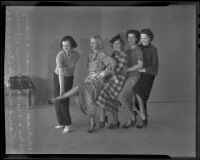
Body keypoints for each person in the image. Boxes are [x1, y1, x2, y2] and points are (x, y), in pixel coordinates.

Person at [50, 35, 116, 133]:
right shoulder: (89, 55)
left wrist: (103, 73)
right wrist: (92, 74)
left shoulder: (102, 55)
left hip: (97, 81)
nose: (92, 45)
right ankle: (90, 123)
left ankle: (60, 101)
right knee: (86, 97)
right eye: (91, 43)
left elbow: (113, 64)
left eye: (94, 43)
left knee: (79, 89)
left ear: (99, 43)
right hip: (81, 79)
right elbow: (88, 69)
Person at [96, 34, 127, 129]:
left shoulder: (123, 54)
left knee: (108, 98)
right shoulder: (113, 54)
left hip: (118, 79)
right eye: (114, 44)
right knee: (104, 97)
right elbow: (108, 66)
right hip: (110, 78)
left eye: (118, 43)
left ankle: (107, 120)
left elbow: (117, 69)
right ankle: (111, 121)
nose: (116, 45)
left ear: (122, 44)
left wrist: (106, 72)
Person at [116, 29, 144, 129]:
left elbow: (140, 65)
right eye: (128, 37)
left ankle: (132, 117)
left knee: (121, 96)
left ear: (136, 38)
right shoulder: (127, 51)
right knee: (127, 98)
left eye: (132, 37)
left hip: (134, 77)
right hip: (126, 77)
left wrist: (127, 69)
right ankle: (131, 118)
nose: (130, 39)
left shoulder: (138, 50)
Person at [53, 35, 80, 134]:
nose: (65, 48)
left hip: (68, 78)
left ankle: (67, 124)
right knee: (57, 98)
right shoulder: (60, 55)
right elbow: (61, 72)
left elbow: (70, 68)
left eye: (67, 46)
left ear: (72, 45)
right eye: (63, 46)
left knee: (63, 99)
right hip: (58, 76)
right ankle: (61, 122)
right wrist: (61, 88)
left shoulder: (77, 55)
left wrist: (63, 88)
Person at [133, 28, 159, 128]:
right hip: (138, 74)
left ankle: (144, 118)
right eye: (141, 38)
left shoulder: (153, 49)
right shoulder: (138, 47)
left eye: (145, 38)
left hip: (148, 75)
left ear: (150, 38)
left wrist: (143, 70)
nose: (143, 39)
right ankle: (144, 116)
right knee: (137, 96)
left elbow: (154, 65)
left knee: (138, 93)